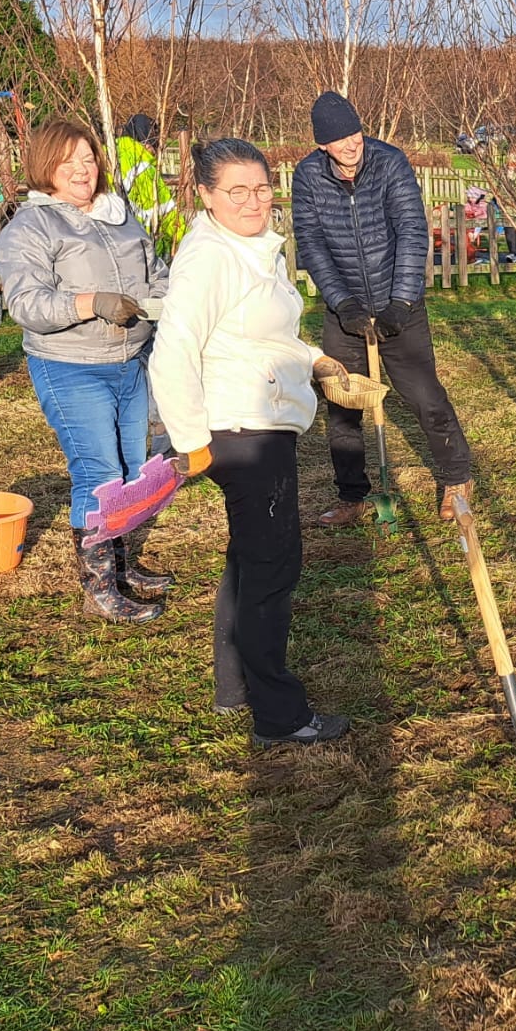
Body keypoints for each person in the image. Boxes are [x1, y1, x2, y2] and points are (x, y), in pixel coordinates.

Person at [150, 138, 353, 747]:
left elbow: (262, 334)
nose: (253, 201)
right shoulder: (210, 257)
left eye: (262, 187)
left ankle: (235, 689)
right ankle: (279, 717)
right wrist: (191, 442)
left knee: (248, 561)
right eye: (236, 191)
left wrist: (317, 360)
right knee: (272, 569)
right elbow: (173, 350)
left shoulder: (251, 249)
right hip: (242, 430)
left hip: (260, 419)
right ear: (207, 196)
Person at [0, 119, 172, 622]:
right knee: (98, 474)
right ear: (45, 166)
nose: (82, 169)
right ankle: (97, 591)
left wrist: (164, 301)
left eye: (89, 158)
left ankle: (118, 567)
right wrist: (91, 302)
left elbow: (154, 271)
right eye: (69, 160)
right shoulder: (31, 227)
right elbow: (26, 303)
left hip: (130, 359)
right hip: (71, 365)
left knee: (131, 470)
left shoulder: (120, 214)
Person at [291, 89, 474, 526]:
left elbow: (412, 229)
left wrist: (401, 302)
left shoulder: (389, 162)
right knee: (342, 406)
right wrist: (343, 302)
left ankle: (457, 478)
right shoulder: (308, 176)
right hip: (345, 310)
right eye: (340, 140)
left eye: (355, 134)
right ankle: (353, 497)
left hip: (399, 304)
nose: (352, 145)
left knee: (424, 396)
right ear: (322, 145)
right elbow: (311, 244)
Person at [117, 113, 187, 260]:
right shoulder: (143, 167)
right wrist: (186, 241)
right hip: (143, 246)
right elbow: (165, 210)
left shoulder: (108, 155)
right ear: (147, 142)